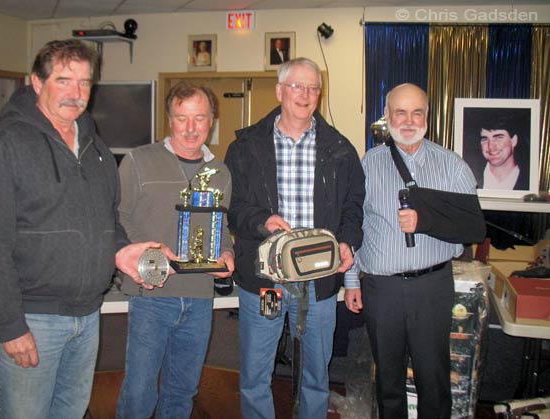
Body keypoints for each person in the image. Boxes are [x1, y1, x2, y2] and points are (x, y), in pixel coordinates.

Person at [0, 39, 162, 419]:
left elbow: (108, 219)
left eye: (85, 82)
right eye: (64, 80)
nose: (76, 93)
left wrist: (124, 251)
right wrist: (10, 325)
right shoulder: (2, 146)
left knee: (70, 412)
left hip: (87, 316)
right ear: (36, 83)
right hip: (32, 317)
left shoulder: (97, 147)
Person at [225, 58, 365, 418]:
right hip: (263, 279)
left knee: (317, 375)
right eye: (297, 86)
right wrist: (262, 219)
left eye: (313, 88)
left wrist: (347, 241)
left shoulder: (340, 149)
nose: (305, 95)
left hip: (318, 280)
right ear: (279, 91)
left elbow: (353, 206)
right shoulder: (245, 146)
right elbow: (233, 207)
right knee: (256, 375)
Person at [344, 83, 483, 419]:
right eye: (400, 112)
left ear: (427, 116)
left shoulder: (452, 166)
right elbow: (354, 227)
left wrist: (427, 220)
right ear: (387, 116)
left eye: (416, 112)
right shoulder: (367, 166)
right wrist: (351, 280)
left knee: (433, 379)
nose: (408, 120)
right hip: (382, 288)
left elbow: (471, 228)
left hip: (432, 287)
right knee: (387, 380)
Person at [115, 82, 234, 419]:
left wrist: (226, 254)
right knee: (139, 391)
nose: (191, 128)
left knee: (182, 390)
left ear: (212, 120)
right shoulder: (139, 161)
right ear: (170, 120)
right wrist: (145, 253)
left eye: (199, 118)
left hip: (199, 295)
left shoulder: (220, 172)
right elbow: (117, 217)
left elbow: (221, 227)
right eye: (182, 118)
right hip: (151, 292)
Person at [476, 110, 529, 190]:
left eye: (498, 137)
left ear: (514, 140)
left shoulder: (528, 181)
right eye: (485, 139)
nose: (491, 146)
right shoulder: (470, 177)